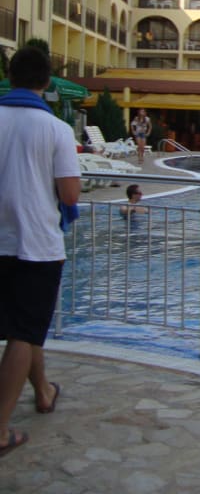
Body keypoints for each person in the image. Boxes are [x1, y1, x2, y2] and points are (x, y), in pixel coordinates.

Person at [0, 46, 82, 458]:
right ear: (46, 82)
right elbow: (69, 191)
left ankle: (44, 392)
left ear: (10, 78)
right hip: (35, 243)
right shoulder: (55, 130)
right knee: (22, 333)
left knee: (25, 329)